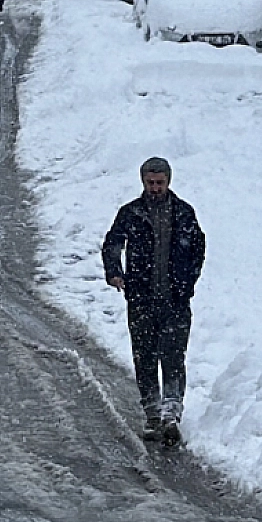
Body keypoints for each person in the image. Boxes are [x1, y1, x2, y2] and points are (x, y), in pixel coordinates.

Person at [101, 157, 206, 444]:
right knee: (145, 357)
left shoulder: (184, 213)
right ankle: (152, 413)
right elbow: (113, 243)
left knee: (173, 357)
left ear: (169, 181)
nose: (155, 188)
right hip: (141, 300)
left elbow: (198, 249)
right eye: (151, 183)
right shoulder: (131, 213)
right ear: (143, 182)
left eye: (160, 182)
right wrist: (114, 272)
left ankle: (171, 413)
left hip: (175, 301)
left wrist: (187, 282)